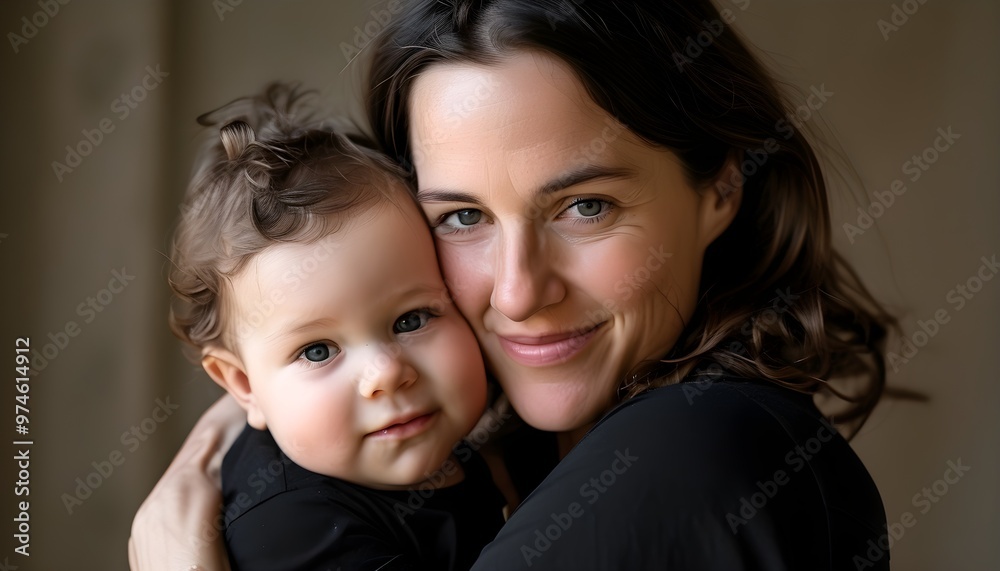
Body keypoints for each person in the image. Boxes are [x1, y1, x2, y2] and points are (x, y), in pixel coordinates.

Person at [131, 1, 896, 569]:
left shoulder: (696, 448)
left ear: (721, 188)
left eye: (586, 206)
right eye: (463, 216)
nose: (519, 291)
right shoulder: (473, 456)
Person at [161, 83, 506, 570]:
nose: (387, 373)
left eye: (411, 319)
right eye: (318, 351)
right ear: (243, 385)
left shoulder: (468, 430)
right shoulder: (294, 527)